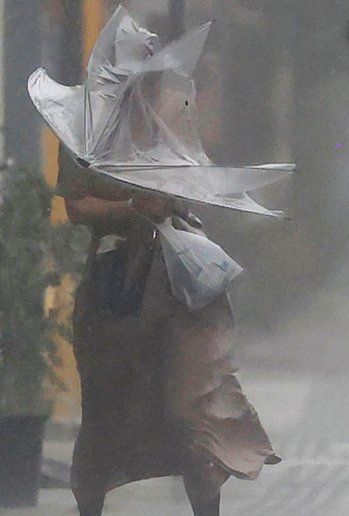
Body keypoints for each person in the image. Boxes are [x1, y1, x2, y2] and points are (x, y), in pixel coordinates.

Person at [57, 147, 279, 516]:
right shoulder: (85, 131)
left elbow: (197, 184)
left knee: (194, 404)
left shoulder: (169, 123)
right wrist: (133, 205)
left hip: (181, 275)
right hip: (117, 284)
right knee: (106, 411)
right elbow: (77, 207)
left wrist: (171, 197)